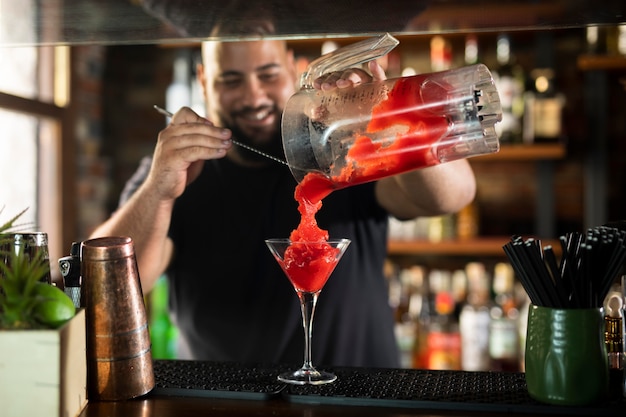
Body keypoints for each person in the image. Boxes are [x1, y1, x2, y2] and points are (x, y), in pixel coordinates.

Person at [89, 19, 476, 368]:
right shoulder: (178, 170)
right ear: (204, 81)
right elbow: (107, 288)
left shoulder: (343, 147)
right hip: (222, 406)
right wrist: (159, 190)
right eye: (231, 80)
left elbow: (451, 196)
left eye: (268, 74)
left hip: (360, 399)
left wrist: (389, 123)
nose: (252, 95)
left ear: (293, 70)